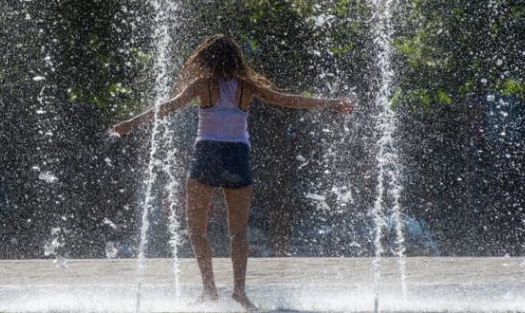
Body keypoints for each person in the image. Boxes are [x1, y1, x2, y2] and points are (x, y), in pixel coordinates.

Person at [111, 34, 354, 310]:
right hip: (237, 156)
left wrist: (131, 123)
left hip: (207, 155)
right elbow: (286, 100)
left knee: (196, 228)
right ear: (236, 58)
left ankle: (209, 289)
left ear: (207, 59)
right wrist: (330, 103)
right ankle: (239, 291)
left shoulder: (202, 85)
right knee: (238, 232)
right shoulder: (246, 87)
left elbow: (167, 107)